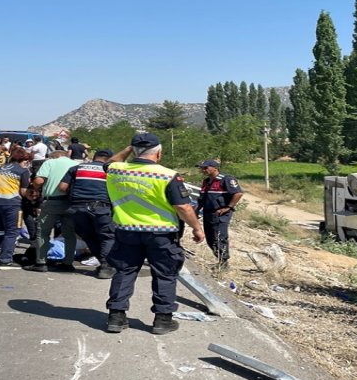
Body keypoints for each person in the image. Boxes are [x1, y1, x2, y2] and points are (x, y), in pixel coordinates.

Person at [104, 133, 204, 335]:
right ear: (158, 153)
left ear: (133, 150)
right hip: (161, 234)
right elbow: (183, 207)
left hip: (126, 231)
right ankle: (162, 320)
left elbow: (111, 161)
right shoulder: (167, 175)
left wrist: (130, 148)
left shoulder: (117, 170)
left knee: (124, 272)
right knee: (165, 274)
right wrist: (197, 227)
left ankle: (116, 316)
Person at [62, 149, 116, 279]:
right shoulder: (110, 171)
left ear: (95, 157)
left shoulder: (76, 168)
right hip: (100, 208)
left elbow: (62, 188)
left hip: (77, 208)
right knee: (107, 237)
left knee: (89, 236)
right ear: (109, 159)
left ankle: (104, 264)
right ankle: (105, 265)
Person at [25, 150, 81, 273]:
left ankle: (41, 262)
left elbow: (39, 181)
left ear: (54, 156)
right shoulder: (76, 164)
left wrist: (32, 188)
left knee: (43, 232)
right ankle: (68, 263)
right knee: (69, 235)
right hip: (70, 203)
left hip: (52, 201)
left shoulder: (50, 162)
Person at [0, 147, 33, 269]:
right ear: (24, 160)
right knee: (12, 231)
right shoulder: (22, 171)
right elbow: (23, 192)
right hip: (10, 203)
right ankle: (5, 260)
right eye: (27, 161)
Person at [196, 159, 243, 269]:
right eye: (202, 168)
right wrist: (197, 209)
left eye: (206, 168)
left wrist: (228, 207)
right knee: (210, 238)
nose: (203, 170)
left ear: (215, 168)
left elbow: (238, 193)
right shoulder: (206, 181)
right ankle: (219, 259)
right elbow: (202, 198)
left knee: (220, 236)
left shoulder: (226, 179)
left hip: (221, 213)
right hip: (208, 213)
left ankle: (224, 262)